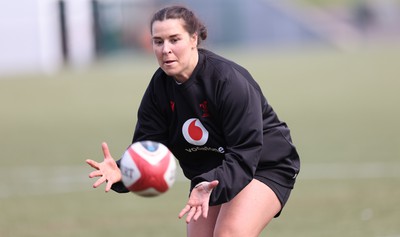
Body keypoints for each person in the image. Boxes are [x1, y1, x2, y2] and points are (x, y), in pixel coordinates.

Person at [86, 5, 300, 237]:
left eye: (174, 39)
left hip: (263, 165)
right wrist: (123, 170)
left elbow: (246, 150)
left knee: (229, 234)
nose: (165, 49)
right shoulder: (159, 88)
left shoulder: (227, 80)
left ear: (193, 39)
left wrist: (208, 182)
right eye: (158, 42)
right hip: (211, 174)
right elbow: (151, 147)